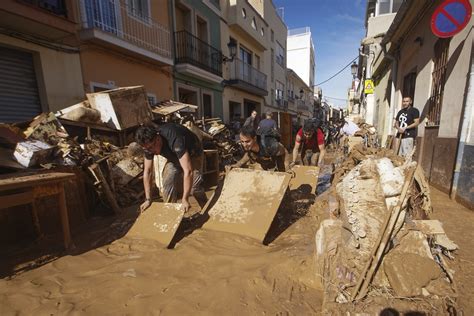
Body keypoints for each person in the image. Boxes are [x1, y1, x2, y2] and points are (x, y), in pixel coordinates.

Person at [135, 124, 208, 213]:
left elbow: (188, 171)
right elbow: (148, 172)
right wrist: (148, 199)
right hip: (173, 156)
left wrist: (185, 199)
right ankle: (171, 214)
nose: (150, 151)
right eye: (146, 149)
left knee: (194, 187)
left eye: (151, 147)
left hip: (193, 153)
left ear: (157, 139)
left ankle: (206, 208)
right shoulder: (148, 146)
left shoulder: (175, 139)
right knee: (168, 180)